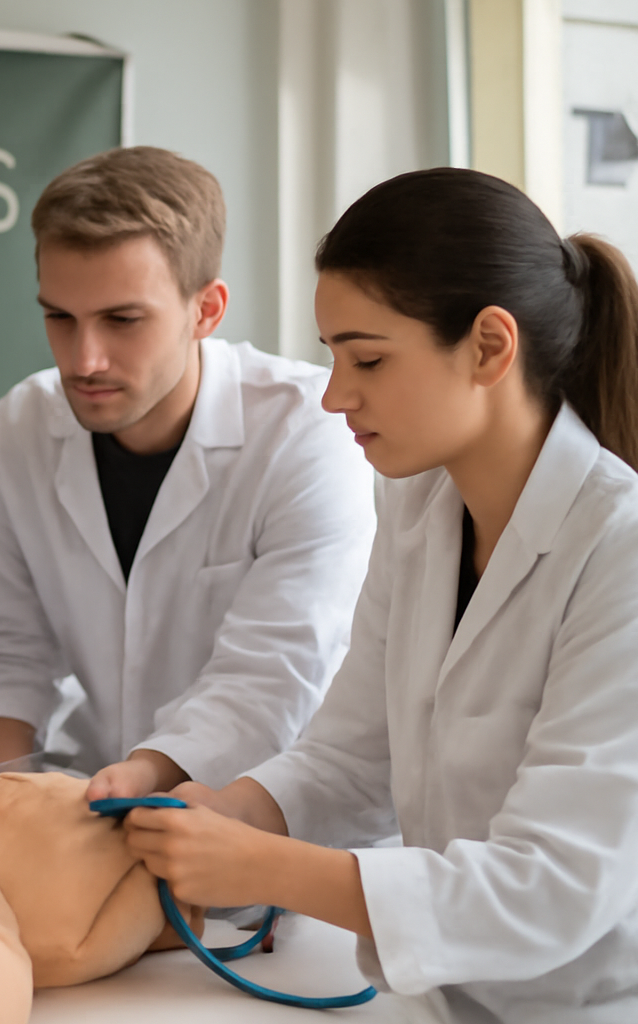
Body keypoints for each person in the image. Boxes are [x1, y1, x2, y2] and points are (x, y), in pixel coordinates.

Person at [124, 168, 638, 1022]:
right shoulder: (418, 504)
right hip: (444, 997)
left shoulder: (620, 546)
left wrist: (258, 864)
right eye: (332, 356)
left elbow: (552, 885)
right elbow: (354, 755)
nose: (335, 396)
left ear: (489, 347)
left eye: (367, 358)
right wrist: (230, 810)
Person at [0, 146, 375, 799]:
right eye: (59, 317)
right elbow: (8, 653)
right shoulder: (15, 434)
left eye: (122, 320)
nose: (84, 360)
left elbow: (271, 675)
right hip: (93, 792)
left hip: (261, 807)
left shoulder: (307, 432)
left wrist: (133, 787)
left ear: (206, 310)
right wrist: (6, 799)